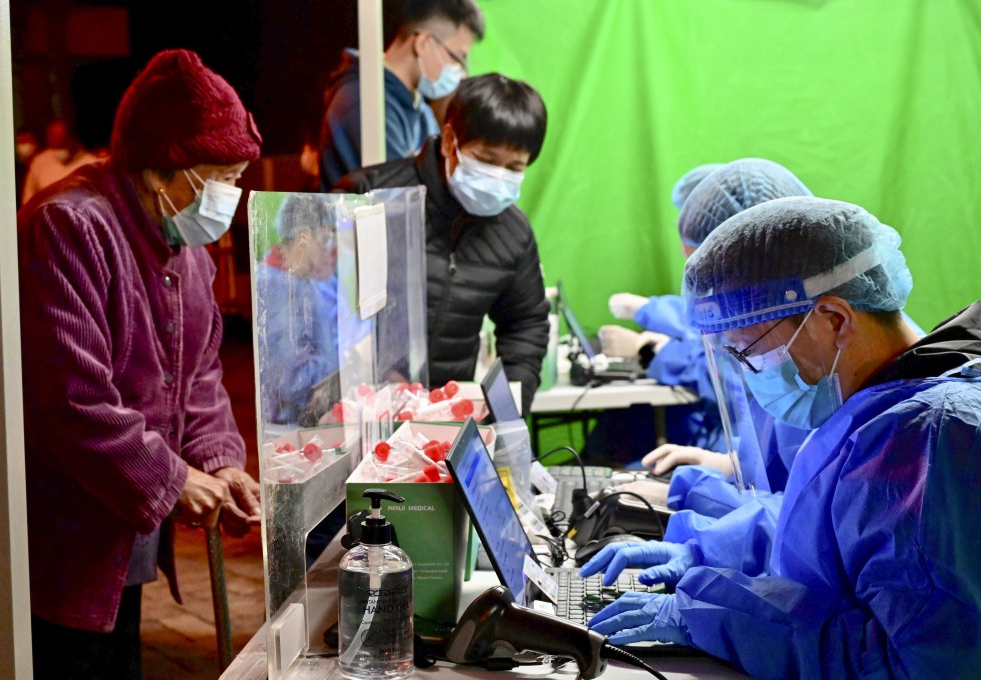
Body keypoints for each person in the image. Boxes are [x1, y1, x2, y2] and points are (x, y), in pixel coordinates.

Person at [580, 196, 981, 678]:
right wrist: (704, 551)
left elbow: (921, 664)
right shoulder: (877, 408)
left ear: (834, 320)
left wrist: (719, 615)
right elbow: (827, 540)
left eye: (749, 351)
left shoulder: (927, 441)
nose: (751, 371)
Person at [17, 49, 263, 679]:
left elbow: (200, 373)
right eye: (221, 178)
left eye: (238, 178)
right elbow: (73, 401)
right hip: (63, 527)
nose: (230, 197)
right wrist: (173, 480)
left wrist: (220, 461)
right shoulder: (68, 226)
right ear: (159, 171)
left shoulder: (185, 240)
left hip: (126, 524)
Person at [600, 159, 813, 499]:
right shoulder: (786, 342)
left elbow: (797, 521)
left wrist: (689, 497)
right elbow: (783, 469)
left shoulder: (805, 358)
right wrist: (731, 464)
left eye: (715, 283)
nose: (727, 328)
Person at [337, 73, 550, 411]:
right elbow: (321, 304)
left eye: (514, 167)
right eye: (487, 160)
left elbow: (526, 325)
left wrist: (506, 409)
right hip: (359, 411)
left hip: (444, 419)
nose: (498, 176)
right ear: (451, 141)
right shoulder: (371, 197)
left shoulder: (513, 233)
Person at [318, 0, 485, 190]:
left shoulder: (419, 108)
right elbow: (397, 193)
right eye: (457, 58)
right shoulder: (365, 102)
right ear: (423, 43)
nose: (461, 72)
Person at [255, 195, 341, 426]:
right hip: (290, 425)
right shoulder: (273, 285)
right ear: (304, 236)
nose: (328, 248)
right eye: (324, 239)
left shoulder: (301, 280)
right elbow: (289, 378)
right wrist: (336, 372)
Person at [21, 118, 102, 205]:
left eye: (62, 143)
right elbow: (27, 200)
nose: (59, 149)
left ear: (72, 138)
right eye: (54, 142)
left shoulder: (92, 164)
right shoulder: (39, 162)